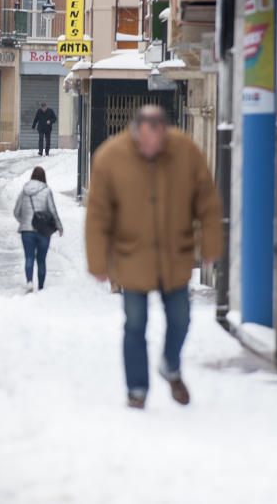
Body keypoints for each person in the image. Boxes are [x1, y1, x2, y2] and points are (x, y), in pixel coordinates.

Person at [85, 106, 222, 410]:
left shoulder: (185, 151)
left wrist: (211, 245)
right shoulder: (111, 157)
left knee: (181, 319)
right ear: (135, 133)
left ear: (166, 133)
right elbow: (98, 215)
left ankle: (170, 365)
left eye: (159, 139)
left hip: (175, 256)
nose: (153, 147)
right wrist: (98, 262)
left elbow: (207, 202)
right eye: (147, 141)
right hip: (131, 257)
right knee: (135, 324)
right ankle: (136, 389)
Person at [13, 167, 64, 292]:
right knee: (41, 260)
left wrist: (24, 221)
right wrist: (59, 226)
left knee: (29, 257)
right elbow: (52, 210)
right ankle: (41, 287)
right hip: (43, 230)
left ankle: (29, 282)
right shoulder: (46, 191)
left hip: (26, 231)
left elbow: (16, 211)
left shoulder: (24, 191)